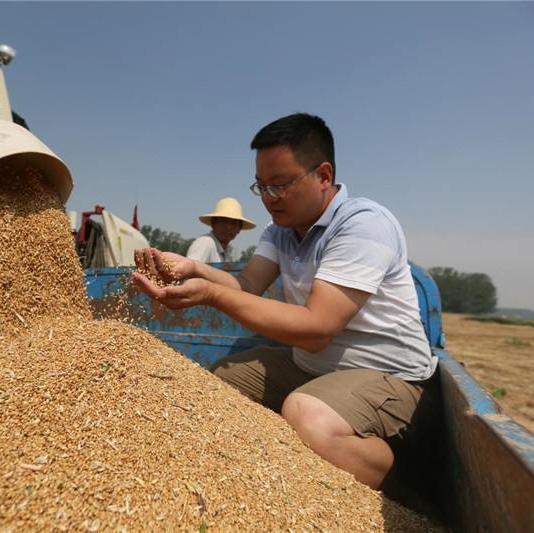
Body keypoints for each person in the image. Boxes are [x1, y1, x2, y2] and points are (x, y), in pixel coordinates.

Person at [131, 113, 439, 495]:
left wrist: (211, 294)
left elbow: (317, 330)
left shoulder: (363, 223)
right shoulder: (279, 231)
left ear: (323, 176)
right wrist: (194, 268)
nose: (268, 199)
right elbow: (246, 285)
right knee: (224, 378)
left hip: (388, 375)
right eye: (260, 187)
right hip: (314, 369)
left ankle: (404, 495)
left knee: (308, 414)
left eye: (281, 184)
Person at [185, 197, 256, 263]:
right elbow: (189, 270)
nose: (229, 227)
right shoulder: (205, 243)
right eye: (224, 221)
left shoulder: (226, 252)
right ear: (213, 224)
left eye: (234, 223)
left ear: (239, 229)